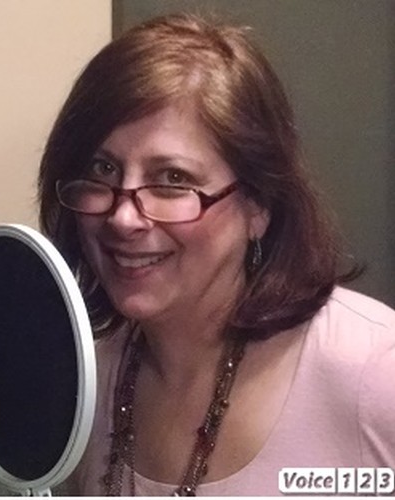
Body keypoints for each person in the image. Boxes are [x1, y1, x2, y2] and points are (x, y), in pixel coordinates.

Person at [37, 13, 395, 496]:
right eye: (102, 169)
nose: (123, 218)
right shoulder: (85, 383)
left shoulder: (374, 373)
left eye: (173, 179)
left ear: (259, 205)